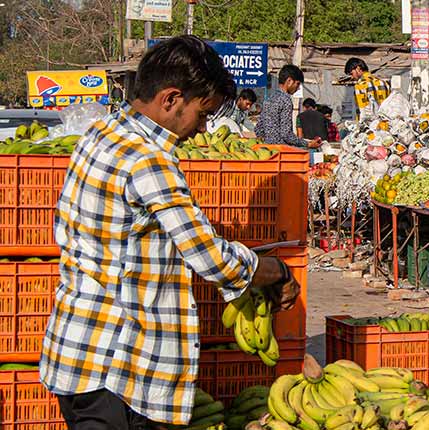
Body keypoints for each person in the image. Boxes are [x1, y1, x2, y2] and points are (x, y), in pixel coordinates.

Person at [40, 35, 299, 428]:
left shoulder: (101, 133)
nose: (201, 129)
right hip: (119, 369)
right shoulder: (149, 160)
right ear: (171, 99)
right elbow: (211, 260)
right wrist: (278, 271)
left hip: (78, 354)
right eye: (202, 113)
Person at [255, 65, 320, 149]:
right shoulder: (285, 100)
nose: (298, 88)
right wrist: (307, 144)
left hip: (266, 150)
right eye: (297, 84)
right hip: (281, 151)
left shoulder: (270, 98)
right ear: (289, 81)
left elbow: (258, 128)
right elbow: (286, 134)